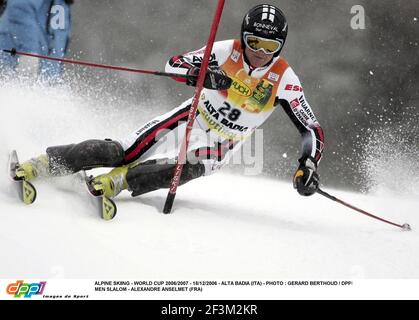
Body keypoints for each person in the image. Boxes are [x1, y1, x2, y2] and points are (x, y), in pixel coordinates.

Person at [14, 4, 325, 199]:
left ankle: (118, 183)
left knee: (184, 167)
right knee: (123, 151)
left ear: (280, 47)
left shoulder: (285, 79)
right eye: (253, 41)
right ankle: (45, 163)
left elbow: (311, 128)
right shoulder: (225, 50)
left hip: (224, 141)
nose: (260, 51)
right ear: (243, 36)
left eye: (270, 46)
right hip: (193, 114)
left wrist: (308, 164)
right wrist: (202, 74)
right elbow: (173, 64)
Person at [0, 0, 72, 81]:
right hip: (10, 68)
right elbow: (19, 7)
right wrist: (29, 53)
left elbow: (56, 48)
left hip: (38, 84)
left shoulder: (63, 6)